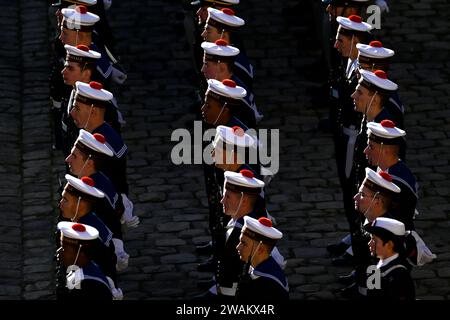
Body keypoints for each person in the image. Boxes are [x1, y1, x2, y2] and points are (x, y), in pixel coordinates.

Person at [70, 80, 139, 228]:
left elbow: (112, 179)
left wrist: (120, 202)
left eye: (78, 108)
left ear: (93, 111)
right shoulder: (99, 132)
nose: (72, 112)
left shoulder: (101, 144)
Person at [66, 129, 131, 270]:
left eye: (74, 156)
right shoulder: (97, 181)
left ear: (89, 163)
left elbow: (110, 222)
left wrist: (116, 250)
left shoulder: (93, 194)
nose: (67, 159)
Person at [365, 120, 418, 230]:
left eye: (371, 147)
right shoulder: (391, 169)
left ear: (386, 150)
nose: (365, 151)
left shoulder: (395, 183)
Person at [56, 221, 122, 300]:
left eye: (64, 249)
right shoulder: (79, 268)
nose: (59, 252)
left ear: (81, 253)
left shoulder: (89, 288)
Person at [201, 39, 259, 128]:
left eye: (206, 65)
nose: (202, 70)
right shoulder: (223, 89)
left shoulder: (234, 98)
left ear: (222, 68)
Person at [202, 7, 255, 92]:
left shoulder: (233, 64)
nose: (203, 34)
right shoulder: (232, 59)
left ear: (223, 36)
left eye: (208, 31)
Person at [235, 216, 289, 301]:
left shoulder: (265, 284)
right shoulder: (261, 267)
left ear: (260, 249)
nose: (238, 247)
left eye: (244, 243)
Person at [363, 217, 416, 300]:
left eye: (375, 240)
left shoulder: (400, 277)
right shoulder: (375, 265)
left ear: (389, 245)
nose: (369, 243)